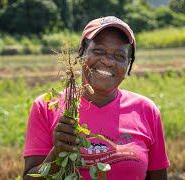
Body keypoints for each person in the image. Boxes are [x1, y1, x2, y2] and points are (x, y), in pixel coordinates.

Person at [23, 16, 170, 180]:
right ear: (81, 54)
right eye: (99, 51)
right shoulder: (47, 106)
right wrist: (57, 155)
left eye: (119, 56)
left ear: (128, 65)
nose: (107, 61)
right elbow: (29, 177)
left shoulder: (146, 110)